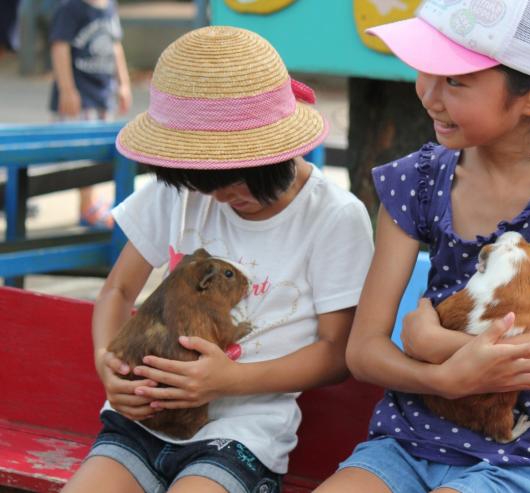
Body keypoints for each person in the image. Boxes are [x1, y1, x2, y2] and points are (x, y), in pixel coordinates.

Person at [317, 0, 530, 492]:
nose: (427, 94)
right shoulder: (417, 179)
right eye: (426, 70)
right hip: (406, 443)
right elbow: (364, 350)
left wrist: (439, 346)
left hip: (529, 457)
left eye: (455, 81)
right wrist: (444, 379)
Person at [61, 26, 374, 493]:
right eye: (203, 181)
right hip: (142, 421)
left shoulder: (333, 216)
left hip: (241, 435)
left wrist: (227, 379)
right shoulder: (183, 194)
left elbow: (335, 353)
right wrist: (106, 359)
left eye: (238, 180)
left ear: (280, 151)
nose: (221, 196)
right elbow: (117, 290)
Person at [49, 0, 132, 229]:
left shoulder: (109, 7)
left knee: (102, 152)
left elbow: (116, 47)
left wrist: (123, 83)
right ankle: (86, 207)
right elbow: (60, 47)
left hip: (103, 93)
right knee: (83, 152)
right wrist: (67, 89)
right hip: (80, 96)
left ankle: (91, 203)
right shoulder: (70, 8)